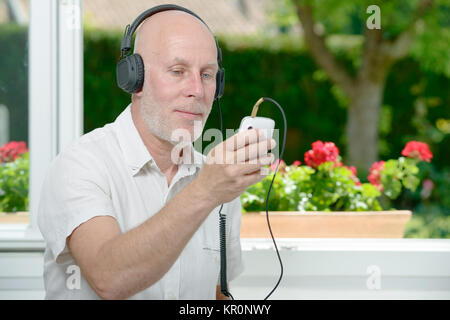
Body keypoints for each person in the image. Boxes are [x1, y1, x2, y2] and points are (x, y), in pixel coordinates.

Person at [38, 6, 276, 300]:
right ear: (133, 78)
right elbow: (108, 278)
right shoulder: (79, 166)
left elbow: (216, 294)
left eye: (207, 75)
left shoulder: (218, 181)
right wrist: (205, 192)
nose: (197, 91)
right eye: (178, 72)